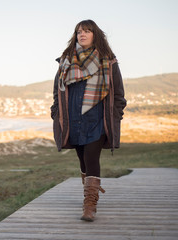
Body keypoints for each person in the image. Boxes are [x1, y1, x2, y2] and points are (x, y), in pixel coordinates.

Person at [50, 19, 127, 222]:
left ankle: (90, 205)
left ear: (95, 35)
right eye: (78, 32)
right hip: (73, 120)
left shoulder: (108, 62)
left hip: (97, 120)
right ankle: (88, 193)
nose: (82, 34)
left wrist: (115, 116)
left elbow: (118, 95)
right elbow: (57, 92)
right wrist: (55, 113)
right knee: (83, 161)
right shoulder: (66, 61)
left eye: (86, 31)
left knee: (92, 159)